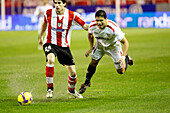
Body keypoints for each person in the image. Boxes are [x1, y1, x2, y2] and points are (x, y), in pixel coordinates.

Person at [38, 0, 89, 98]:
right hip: (50, 42)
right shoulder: (48, 12)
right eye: (55, 3)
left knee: (73, 73)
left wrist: (96, 26)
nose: (57, 5)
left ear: (64, 3)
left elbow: (85, 26)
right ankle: (50, 89)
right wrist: (41, 36)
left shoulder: (72, 15)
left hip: (64, 46)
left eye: (59, 3)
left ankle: (71, 90)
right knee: (51, 59)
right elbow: (45, 23)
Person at [79, 10, 133, 94]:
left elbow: (125, 42)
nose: (99, 23)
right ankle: (86, 83)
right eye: (97, 20)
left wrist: (122, 57)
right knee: (93, 62)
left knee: (121, 71)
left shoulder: (113, 28)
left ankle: (126, 57)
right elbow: (90, 35)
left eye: (101, 20)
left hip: (113, 47)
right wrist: (90, 47)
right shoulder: (93, 25)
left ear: (106, 19)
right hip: (100, 46)